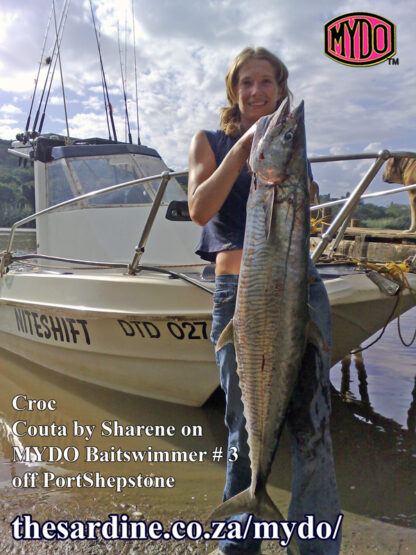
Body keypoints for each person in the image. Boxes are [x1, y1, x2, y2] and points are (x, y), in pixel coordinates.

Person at [188, 47, 341, 555]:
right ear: (234, 90)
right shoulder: (210, 142)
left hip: (299, 291)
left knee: (313, 429)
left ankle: (316, 548)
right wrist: (242, 151)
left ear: (280, 89)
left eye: (267, 83)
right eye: (247, 83)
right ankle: (239, 541)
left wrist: (284, 166)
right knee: (241, 430)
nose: (257, 92)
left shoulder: (286, 147)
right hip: (240, 294)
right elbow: (198, 209)